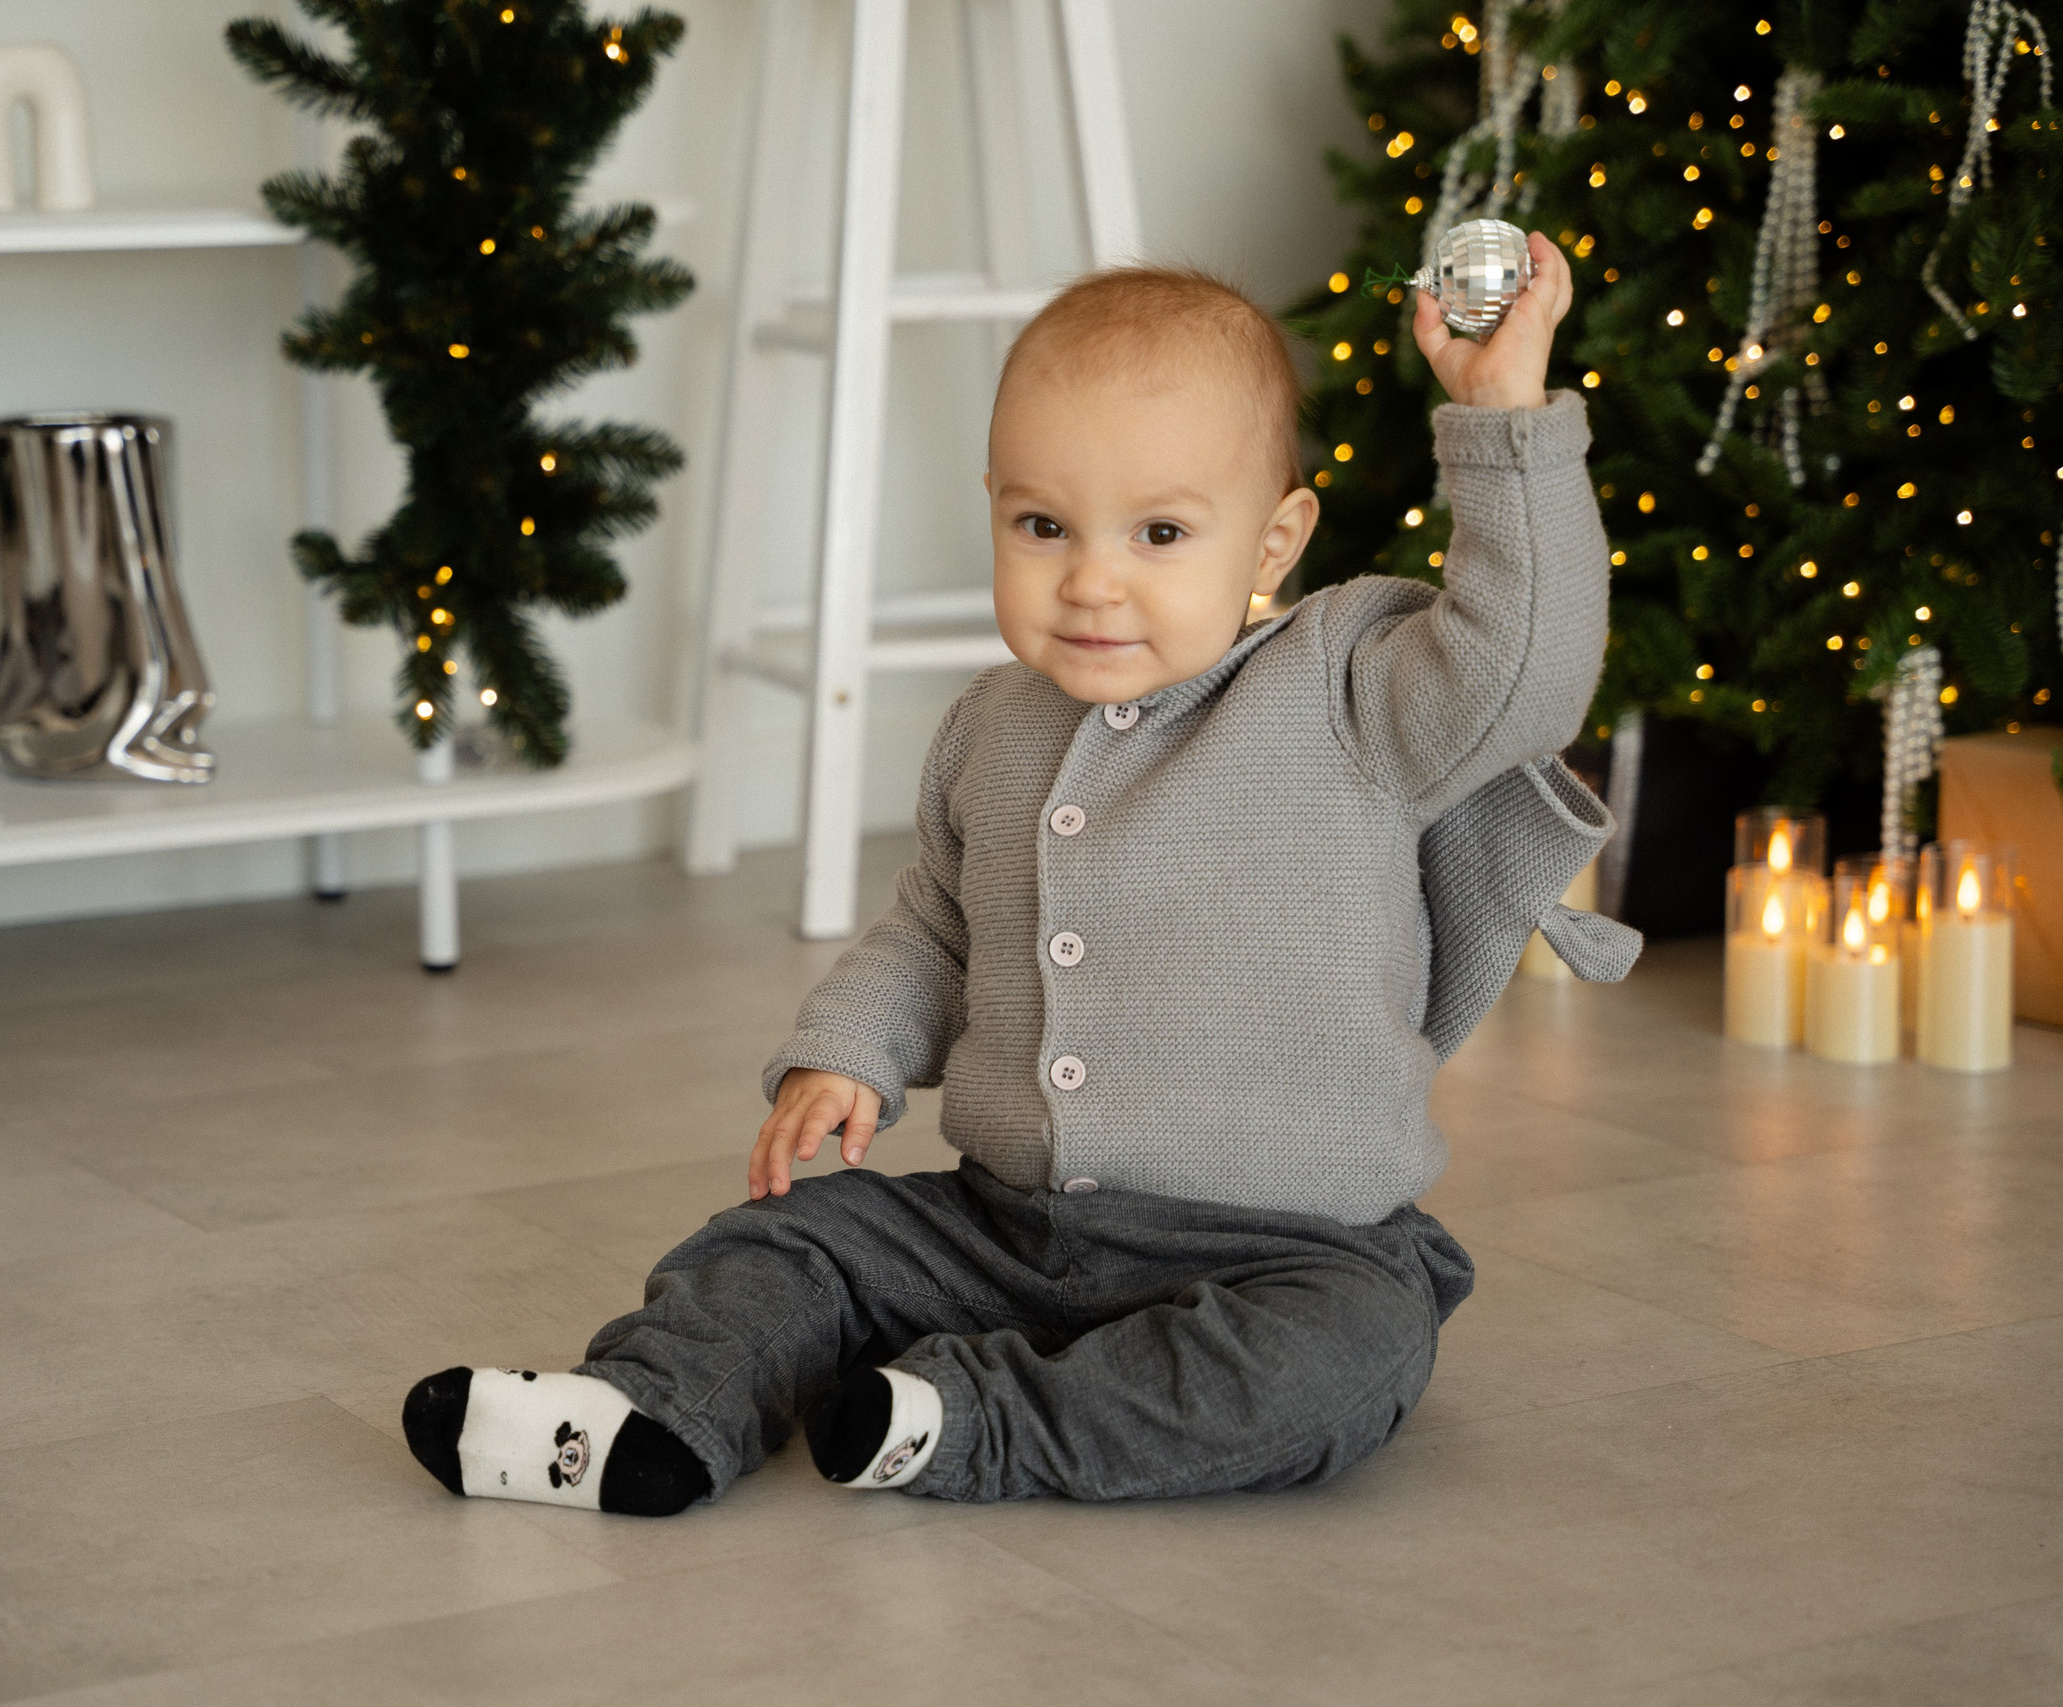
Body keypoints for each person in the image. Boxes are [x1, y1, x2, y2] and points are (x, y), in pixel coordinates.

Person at [401, 233, 1629, 1516]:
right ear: (991, 501)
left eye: (1160, 532)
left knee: (1341, 1366)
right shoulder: (994, 725)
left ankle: (974, 1420)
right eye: (1041, 525)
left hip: (1289, 1249)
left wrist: (1501, 423)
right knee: (787, 1244)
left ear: (1273, 543)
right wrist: (851, 1052)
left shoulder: (1352, 698)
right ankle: (652, 1409)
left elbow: (1524, 668)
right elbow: (934, 929)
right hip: (1003, 1228)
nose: (1091, 580)